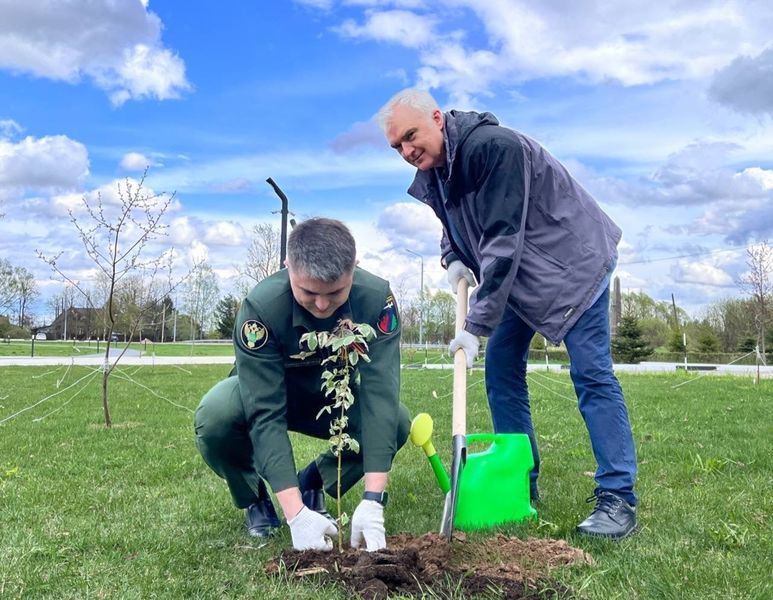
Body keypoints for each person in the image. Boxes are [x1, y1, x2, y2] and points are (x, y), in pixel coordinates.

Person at [377, 89, 638, 539]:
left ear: (437, 119)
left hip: (572, 265)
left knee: (592, 374)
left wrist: (475, 325)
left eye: (410, 136)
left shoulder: (493, 148)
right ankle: (519, 480)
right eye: (396, 146)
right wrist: (452, 257)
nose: (406, 150)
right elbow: (459, 225)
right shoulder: (440, 170)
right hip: (520, 279)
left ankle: (618, 497)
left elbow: (501, 237)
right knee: (501, 369)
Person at [194, 217, 410, 551]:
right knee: (215, 416)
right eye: (308, 292)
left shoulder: (377, 300)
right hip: (269, 394)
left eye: (336, 292)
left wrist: (373, 498)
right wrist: (296, 515)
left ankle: (315, 481)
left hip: (335, 400)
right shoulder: (261, 308)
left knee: (396, 421)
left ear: (355, 267)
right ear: (287, 267)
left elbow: (380, 394)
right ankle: (257, 500)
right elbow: (264, 412)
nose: (322, 305)